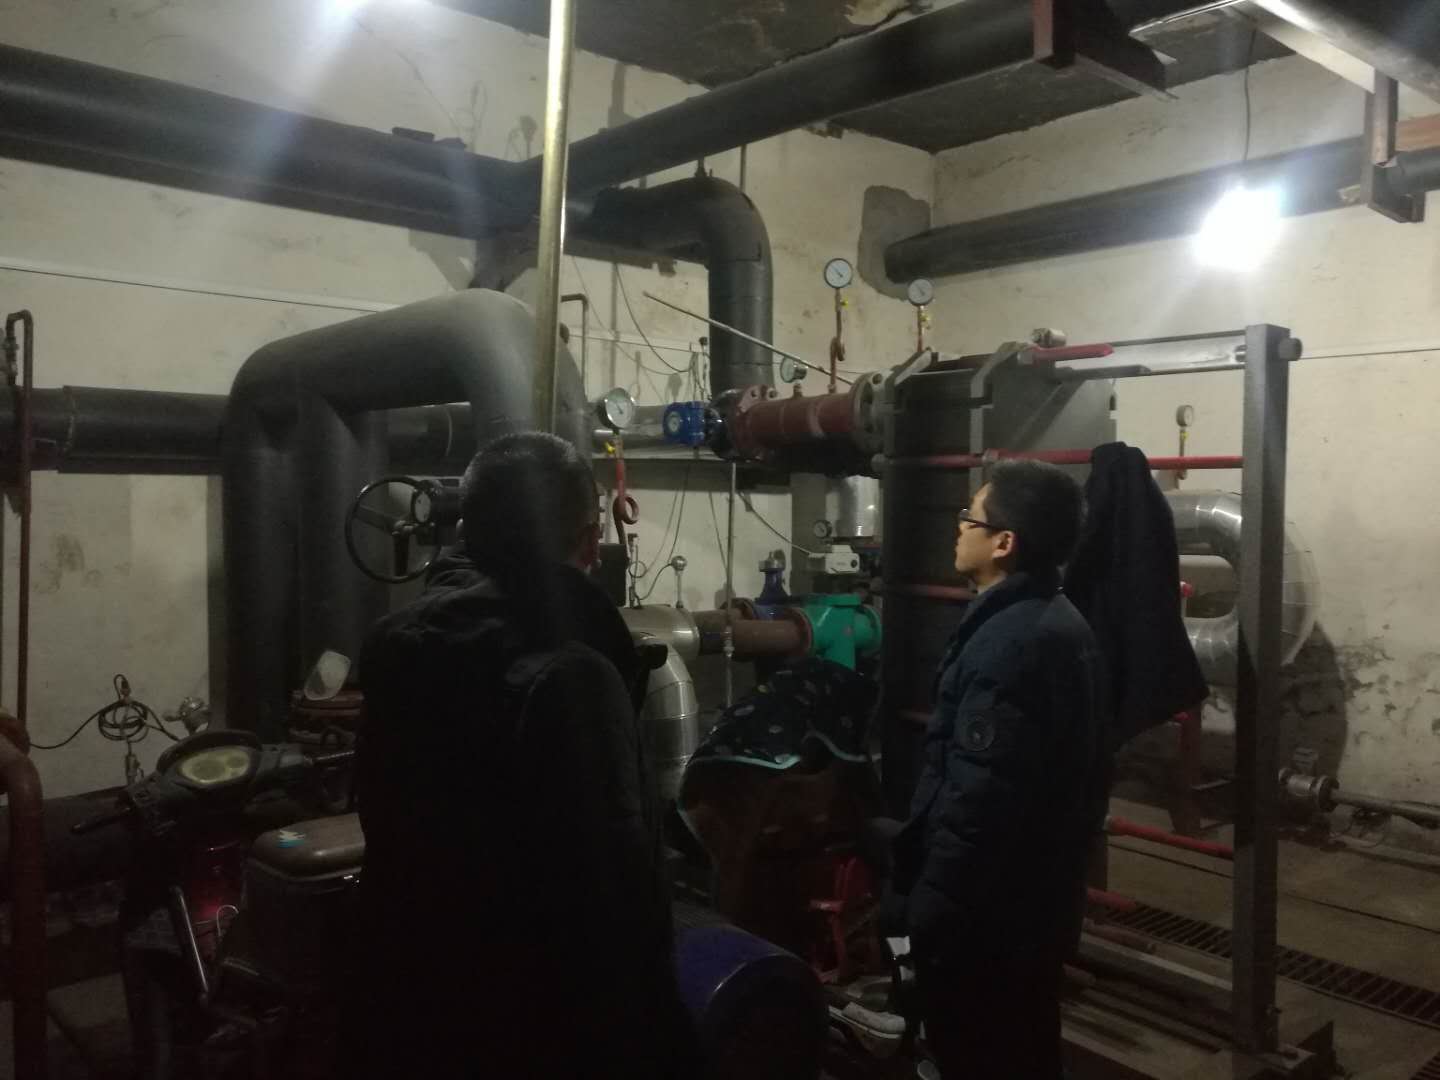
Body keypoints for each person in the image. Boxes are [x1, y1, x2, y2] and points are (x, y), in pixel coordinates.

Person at [343, 432, 694, 1079]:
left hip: (409, 1001)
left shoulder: (396, 645)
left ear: (465, 531)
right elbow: (611, 901)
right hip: (532, 1027)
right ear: (590, 542)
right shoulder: (573, 677)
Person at [885, 460, 1108, 1079]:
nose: (959, 528)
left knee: (977, 1047)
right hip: (1033, 904)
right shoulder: (1050, 621)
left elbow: (980, 799)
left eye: (970, 518)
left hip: (990, 915)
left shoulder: (1012, 644)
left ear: (1004, 542)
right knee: (1025, 1042)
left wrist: (928, 908)